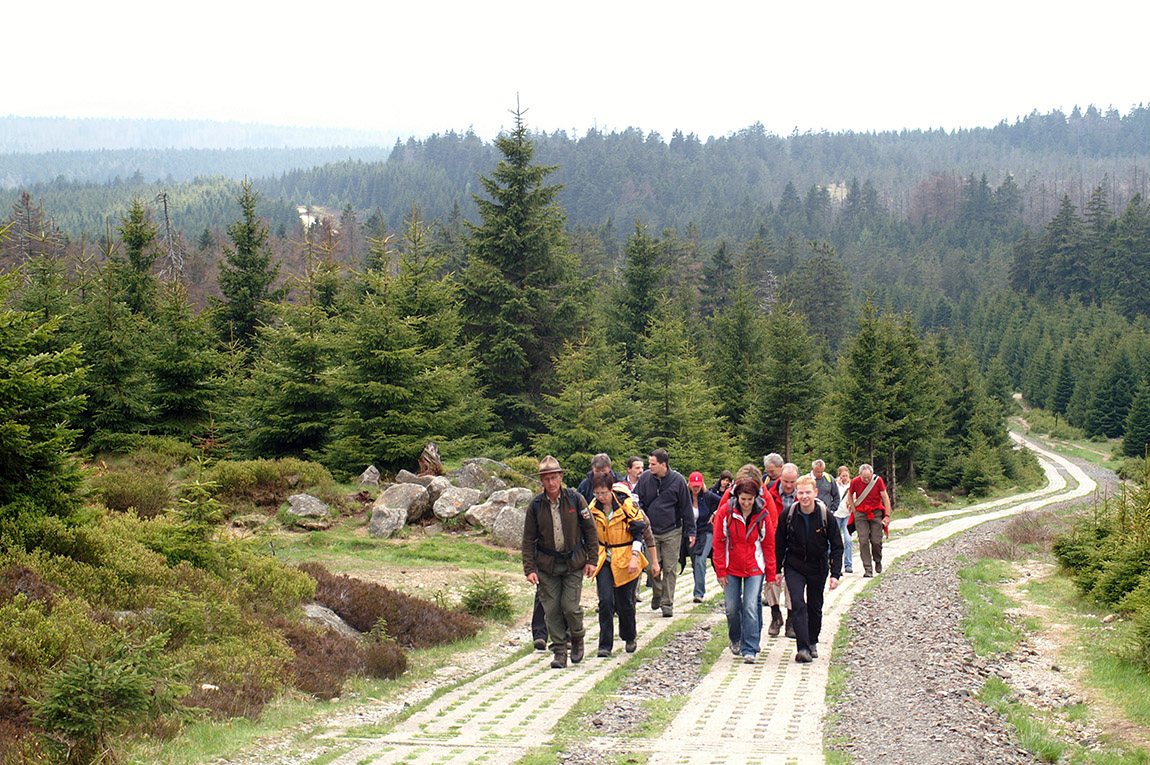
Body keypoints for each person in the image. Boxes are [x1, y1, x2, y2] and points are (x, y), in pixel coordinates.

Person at [522, 455, 599, 668]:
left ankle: (577, 637)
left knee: (570, 606)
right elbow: (528, 539)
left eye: (554, 478)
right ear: (542, 481)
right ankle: (559, 652)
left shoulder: (575, 499)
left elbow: (590, 530)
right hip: (547, 565)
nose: (551, 483)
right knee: (551, 609)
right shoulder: (535, 505)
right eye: (546, 479)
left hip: (574, 562)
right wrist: (529, 568)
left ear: (561, 477)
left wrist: (592, 560)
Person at [775, 475, 842, 662]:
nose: (804, 496)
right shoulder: (788, 515)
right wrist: (776, 570)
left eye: (808, 492)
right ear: (796, 493)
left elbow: (837, 545)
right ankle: (802, 648)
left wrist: (835, 574)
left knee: (815, 606)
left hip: (817, 566)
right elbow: (779, 544)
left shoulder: (824, 515)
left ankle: (812, 641)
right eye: (801, 492)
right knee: (797, 603)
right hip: (794, 565)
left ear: (815, 493)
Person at [713, 469, 773, 664]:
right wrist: (720, 570)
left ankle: (750, 647)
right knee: (731, 607)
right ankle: (735, 638)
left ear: (755, 498)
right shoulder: (726, 512)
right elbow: (719, 542)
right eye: (743, 499)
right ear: (737, 496)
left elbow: (768, 545)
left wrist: (771, 574)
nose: (746, 503)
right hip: (732, 566)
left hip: (755, 567)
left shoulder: (762, 514)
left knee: (750, 605)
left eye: (749, 499)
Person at [589, 474, 651, 656]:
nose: (601, 497)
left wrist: (634, 557)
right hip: (604, 559)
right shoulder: (593, 509)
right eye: (597, 493)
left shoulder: (625, 506)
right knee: (606, 601)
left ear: (611, 490)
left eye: (604, 493)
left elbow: (639, 532)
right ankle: (605, 645)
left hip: (625, 557)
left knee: (625, 603)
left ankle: (629, 635)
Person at [635, 448, 695, 617]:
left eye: (653, 464)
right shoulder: (645, 478)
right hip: (650, 531)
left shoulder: (678, 481)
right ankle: (658, 593)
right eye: (649, 463)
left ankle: (667, 603)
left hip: (672, 530)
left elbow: (686, 508)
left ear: (663, 464)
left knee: (669, 568)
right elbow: (636, 501)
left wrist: (691, 531)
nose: (649, 467)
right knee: (649, 567)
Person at [849, 463, 892, 577]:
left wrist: (887, 515)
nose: (867, 479)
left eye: (868, 477)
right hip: (861, 514)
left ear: (872, 474)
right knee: (863, 541)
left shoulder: (878, 481)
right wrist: (854, 511)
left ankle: (877, 560)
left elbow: (885, 497)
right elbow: (849, 495)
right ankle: (868, 569)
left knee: (876, 541)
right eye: (864, 478)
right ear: (860, 475)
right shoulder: (855, 482)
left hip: (876, 513)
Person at [686, 471, 721, 602]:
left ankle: (699, 593)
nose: (696, 488)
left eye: (698, 485)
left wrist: (715, 513)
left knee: (701, 560)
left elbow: (726, 501)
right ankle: (698, 587)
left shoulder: (708, 496)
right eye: (694, 485)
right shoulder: (685, 496)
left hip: (706, 531)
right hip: (690, 532)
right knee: (695, 562)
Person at [834, 465, 854, 574]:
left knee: (848, 539)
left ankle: (848, 564)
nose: (844, 478)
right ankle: (835, 564)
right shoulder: (835, 485)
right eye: (843, 476)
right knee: (836, 541)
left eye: (846, 476)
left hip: (847, 515)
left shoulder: (851, 486)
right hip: (836, 515)